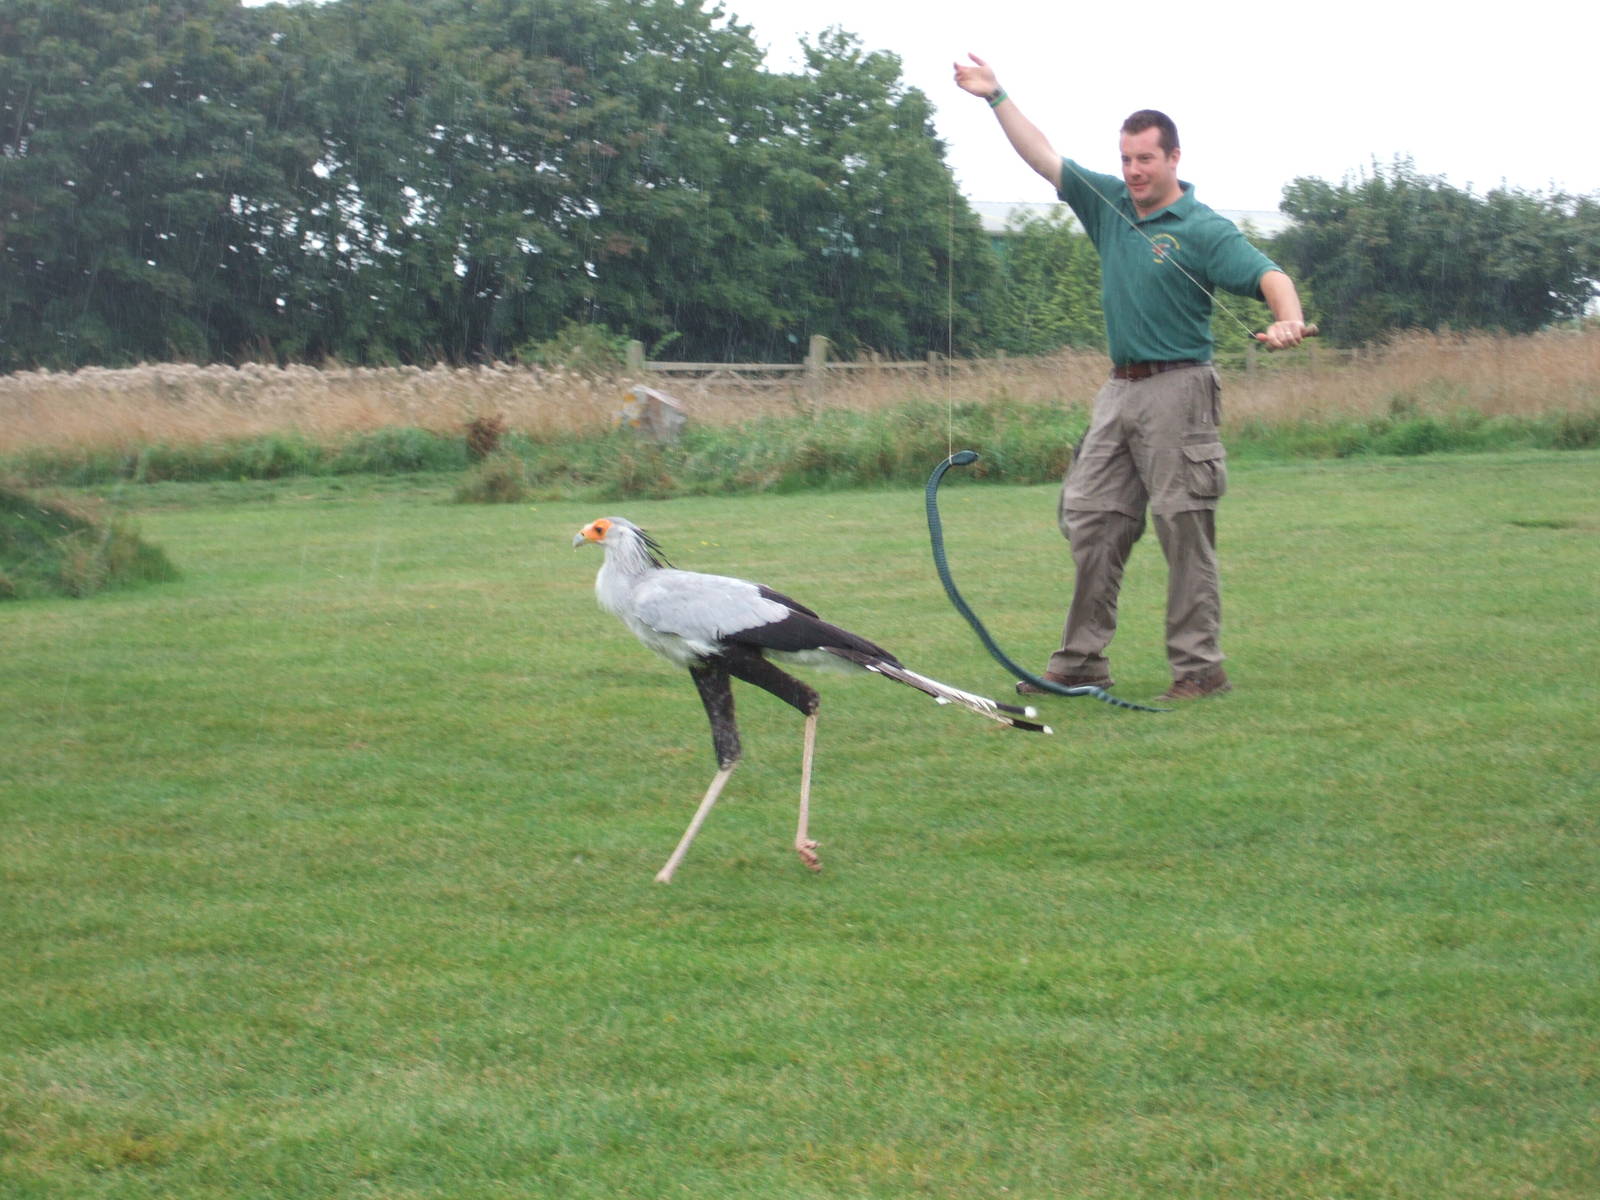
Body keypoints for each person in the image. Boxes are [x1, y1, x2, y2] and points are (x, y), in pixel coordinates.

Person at [953, 53, 1309, 701]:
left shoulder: (1201, 229)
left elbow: (1270, 276)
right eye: (1125, 159)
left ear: (1174, 158)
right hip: (1118, 390)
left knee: (1182, 527)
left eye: (1145, 159)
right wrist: (995, 95)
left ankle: (1199, 669)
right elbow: (1044, 157)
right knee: (1091, 518)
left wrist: (1289, 319)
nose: (1133, 171)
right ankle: (1082, 661)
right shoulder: (1109, 204)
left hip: (1181, 389)